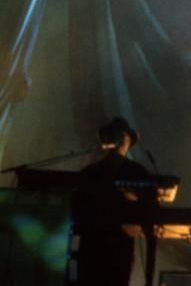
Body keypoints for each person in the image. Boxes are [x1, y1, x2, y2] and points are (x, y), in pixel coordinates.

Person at [71, 117, 153, 286]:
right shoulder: (90, 172)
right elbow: (76, 207)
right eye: (114, 134)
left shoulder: (137, 172)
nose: (118, 138)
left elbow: (150, 204)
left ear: (128, 141)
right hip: (92, 247)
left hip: (119, 248)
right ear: (107, 140)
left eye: (122, 135)